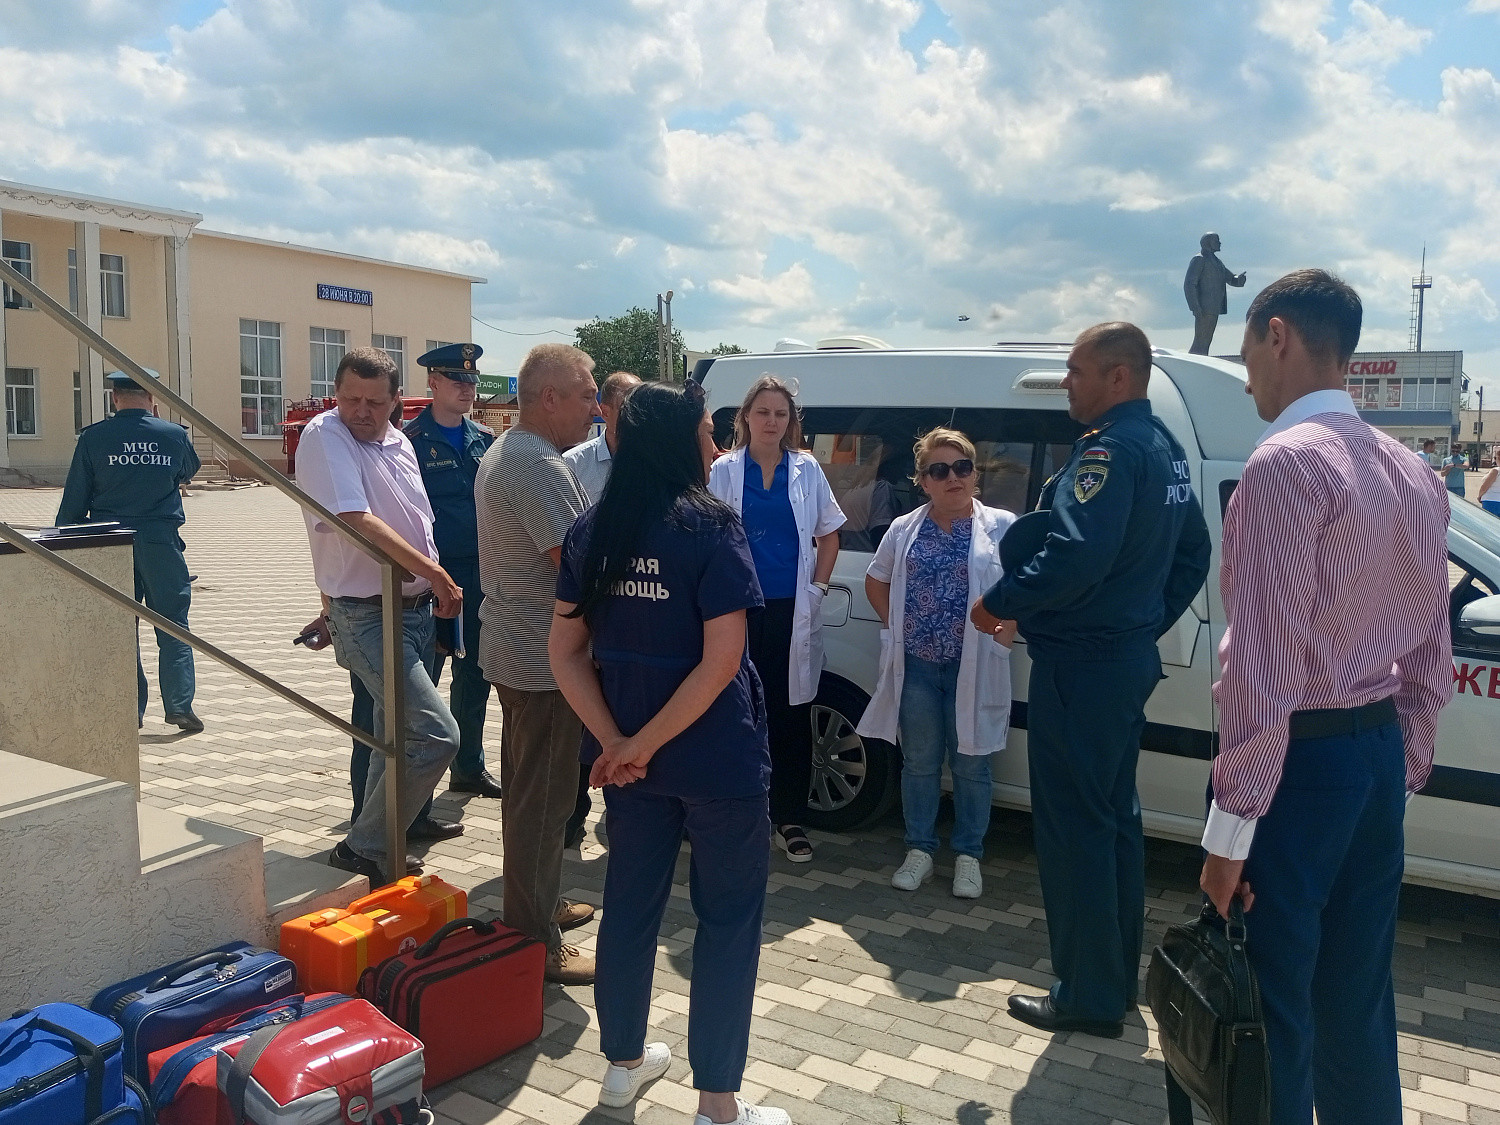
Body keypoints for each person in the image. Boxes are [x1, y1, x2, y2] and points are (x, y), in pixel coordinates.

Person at [1200, 270, 1453, 1125]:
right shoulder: (1414, 470)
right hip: (1375, 750)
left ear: (1277, 335)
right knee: (1357, 1002)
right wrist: (1400, 764)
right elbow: (1432, 648)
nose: (1247, 379)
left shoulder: (1285, 464)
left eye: (1246, 353)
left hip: (1301, 763)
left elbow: (1264, 665)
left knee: (1271, 1007)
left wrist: (1230, 830)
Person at [550, 381, 788, 1125]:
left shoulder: (594, 529)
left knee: (628, 907)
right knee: (727, 923)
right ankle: (718, 1103)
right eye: (709, 432)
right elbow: (721, 662)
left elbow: (564, 651)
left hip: (632, 771)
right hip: (716, 761)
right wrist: (635, 744)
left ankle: (622, 1066)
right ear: (681, 441)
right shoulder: (710, 528)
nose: (716, 446)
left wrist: (617, 743)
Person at [971, 322, 1211, 1038]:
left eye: (1077, 371)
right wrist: (1142, 622)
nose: (1068, 384)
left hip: (1081, 666)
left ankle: (1087, 994)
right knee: (1112, 826)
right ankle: (1111, 982)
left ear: (1118, 376)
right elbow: (1194, 553)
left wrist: (998, 603)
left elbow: (1075, 553)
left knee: (1076, 832)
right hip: (1120, 661)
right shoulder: (1163, 447)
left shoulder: (1109, 450)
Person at [292, 346, 463, 885]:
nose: (360, 412)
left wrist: (428, 586)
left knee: (393, 741)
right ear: (335, 395)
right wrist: (434, 574)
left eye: (374, 402)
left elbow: (409, 519)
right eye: (350, 399)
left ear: (396, 401)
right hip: (369, 614)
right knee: (435, 735)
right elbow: (353, 519)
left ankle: (376, 845)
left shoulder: (398, 440)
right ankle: (363, 846)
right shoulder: (326, 435)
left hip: (411, 612)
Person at [476, 342, 600, 984]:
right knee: (544, 803)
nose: (595, 408)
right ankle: (535, 940)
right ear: (549, 398)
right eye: (587, 395)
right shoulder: (540, 465)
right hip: (545, 663)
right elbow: (573, 570)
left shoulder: (509, 450)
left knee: (531, 794)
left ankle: (539, 904)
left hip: (515, 649)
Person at [860, 428, 1016, 900]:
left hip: (976, 664)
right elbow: (876, 579)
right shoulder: (905, 528)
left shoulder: (1002, 526)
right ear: (923, 480)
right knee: (920, 763)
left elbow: (1024, 585)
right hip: (919, 668)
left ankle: (968, 856)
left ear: (974, 473)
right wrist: (895, 626)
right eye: (940, 470)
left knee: (972, 764)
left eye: (962, 467)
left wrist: (1005, 633)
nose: (953, 478)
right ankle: (920, 850)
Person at [708, 376, 845, 863]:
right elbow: (708, 537)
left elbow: (830, 534)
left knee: (790, 714)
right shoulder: (723, 470)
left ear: (791, 421)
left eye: (781, 414)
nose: (771, 421)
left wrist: (818, 588)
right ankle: (746, 813)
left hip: (792, 608)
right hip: (738, 610)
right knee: (738, 711)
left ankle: (790, 817)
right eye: (763, 412)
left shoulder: (806, 469)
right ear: (746, 416)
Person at [57, 370, 203, 732]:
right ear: (152, 398)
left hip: (110, 543)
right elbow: (188, 471)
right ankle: (179, 706)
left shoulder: (94, 437)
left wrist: (68, 545)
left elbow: (74, 502)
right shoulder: (174, 435)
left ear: (114, 397)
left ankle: (129, 710)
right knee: (173, 623)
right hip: (160, 543)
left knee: (121, 626)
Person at [405, 343, 504, 800]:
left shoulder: (484, 438)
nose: (467, 389)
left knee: (475, 673)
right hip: (432, 577)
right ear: (433, 382)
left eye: (472, 381)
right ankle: (418, 792)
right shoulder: (409, 440)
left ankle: (468, 767)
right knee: (427, 674)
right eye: (457, 380)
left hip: (480, 573)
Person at [562, 368, 643, 848]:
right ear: (604, 410)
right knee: (582, 719)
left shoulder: (653, 466)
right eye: (626, 407)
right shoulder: (573, 465)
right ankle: (572, 814)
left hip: (634, 614)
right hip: (586, 611)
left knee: (626, 714)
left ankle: (626, 810)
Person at [564, 370, 643, 502]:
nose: (638, 415)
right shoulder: (573, 465)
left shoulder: (658, 461)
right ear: (605, 412)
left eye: (642, 407)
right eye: (629, 408)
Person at [1184, 232, 1247, 355]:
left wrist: (1239, 280)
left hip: (1214, 307)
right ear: (1208, 243)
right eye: (1216, 241)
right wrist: (1195, 307)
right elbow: (1189, 284)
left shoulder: (1217, 262)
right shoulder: (1199, 259)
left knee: (1206, 340)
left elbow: (1230, 278)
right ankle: (1194, 361)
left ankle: (1200, 359)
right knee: (1201, 341)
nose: (1220, 243)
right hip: (1204, 307)